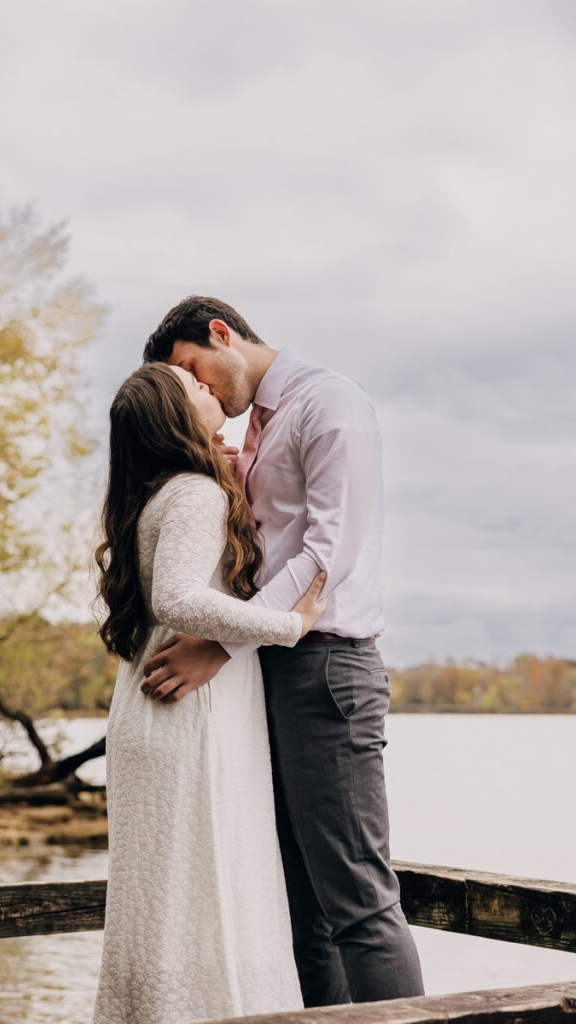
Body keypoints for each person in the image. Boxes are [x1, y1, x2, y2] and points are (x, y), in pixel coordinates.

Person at [141, 296, 425, 1006]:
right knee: (301, 905)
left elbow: (329, 556)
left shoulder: (329, 404)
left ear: (220, 333)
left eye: (193, 369)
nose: (199, 389)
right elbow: (266, 545)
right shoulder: (259, 427)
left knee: (358, 900)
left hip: (326, 668)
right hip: (275, 667)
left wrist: (222, 644)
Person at [92, 361, 328, 1024]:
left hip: (152, 711)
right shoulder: (194, 493)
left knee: (167, 906)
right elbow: (177, 597)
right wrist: (287, 625)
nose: (206, 385)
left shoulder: (159, 492)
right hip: (187, 719)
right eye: (191, 385)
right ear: (172, 416)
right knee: (208, 892)